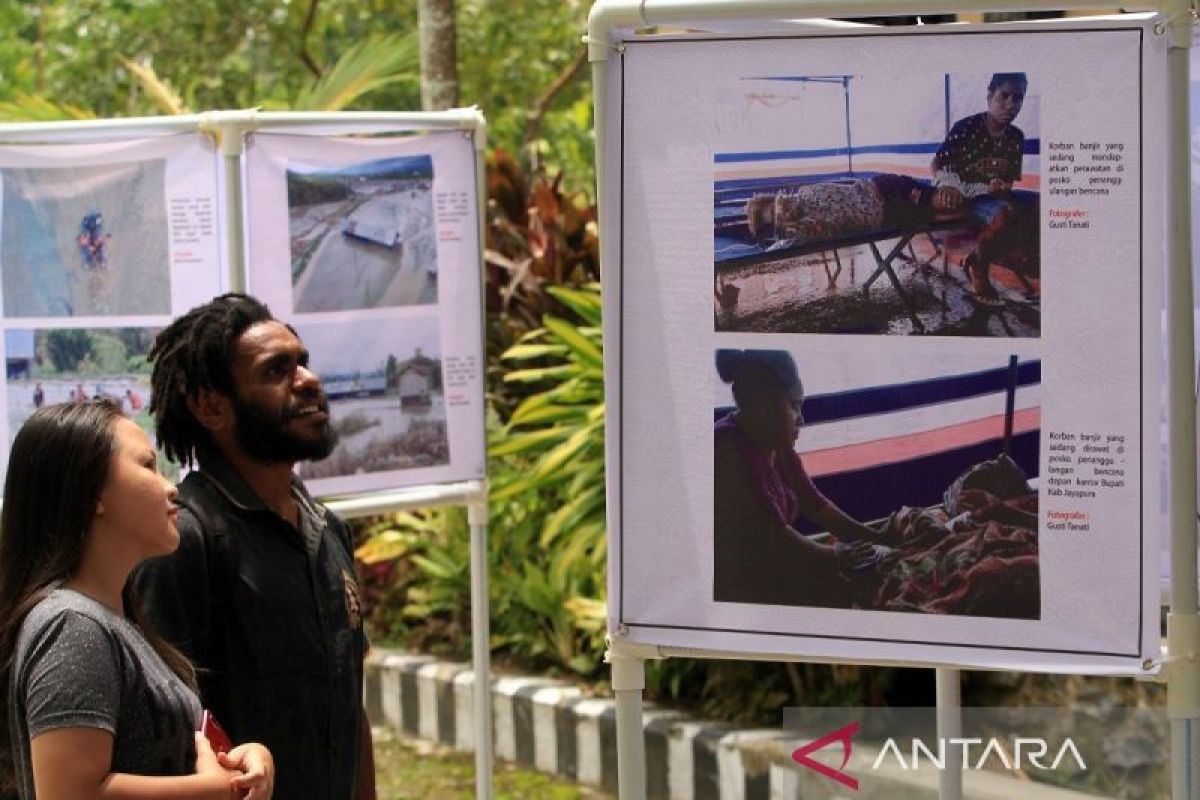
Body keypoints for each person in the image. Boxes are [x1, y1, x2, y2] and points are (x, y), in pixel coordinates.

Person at [133, 293, 375, 800]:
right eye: (275, 371)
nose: (307, 380)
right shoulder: (183, 540)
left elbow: (350, 702)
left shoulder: (327, 529)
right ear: (211, 406)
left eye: (303, 362)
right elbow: (166, 731)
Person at [0, 400, 273, 799]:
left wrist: (242, 762)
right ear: (91, 491)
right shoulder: (71, 625)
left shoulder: (111, 621)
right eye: (147, 466)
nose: (171, 488)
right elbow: (68, 793)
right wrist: (211, 790)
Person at [713, 349, 888, 607]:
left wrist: (875, 536)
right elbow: (772, 535)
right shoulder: (727, 449)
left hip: (771, 570)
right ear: (761, 406)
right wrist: (837, 556)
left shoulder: (775, 444)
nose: (802, 420)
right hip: (739, 590)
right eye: (795, 405)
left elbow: (815, 504)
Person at [931, 73, 1038, 303]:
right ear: (989, 95)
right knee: (1006, 216)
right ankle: (979, 268)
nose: (1011, 104)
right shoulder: (966, 127)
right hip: (960, 195)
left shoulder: (1016, 137)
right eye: (1004, 96)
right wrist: (949, 186)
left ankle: (977, 257)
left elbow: (1008, 182)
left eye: (1017, 98)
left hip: (989, 197)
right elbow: (937, 164)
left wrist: (1000, 187)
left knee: (1034, 210)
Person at [743, 173, 957, 248]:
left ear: (779, 198)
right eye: (777, 218)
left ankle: (973, 193)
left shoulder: (805, 191)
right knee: (950, 214)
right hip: (889, 215)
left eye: (777, 206)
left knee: (945, 201)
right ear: (780, 225)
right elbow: (781, 245)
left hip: (884, 187)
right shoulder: (806, 230)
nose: (783, 211)